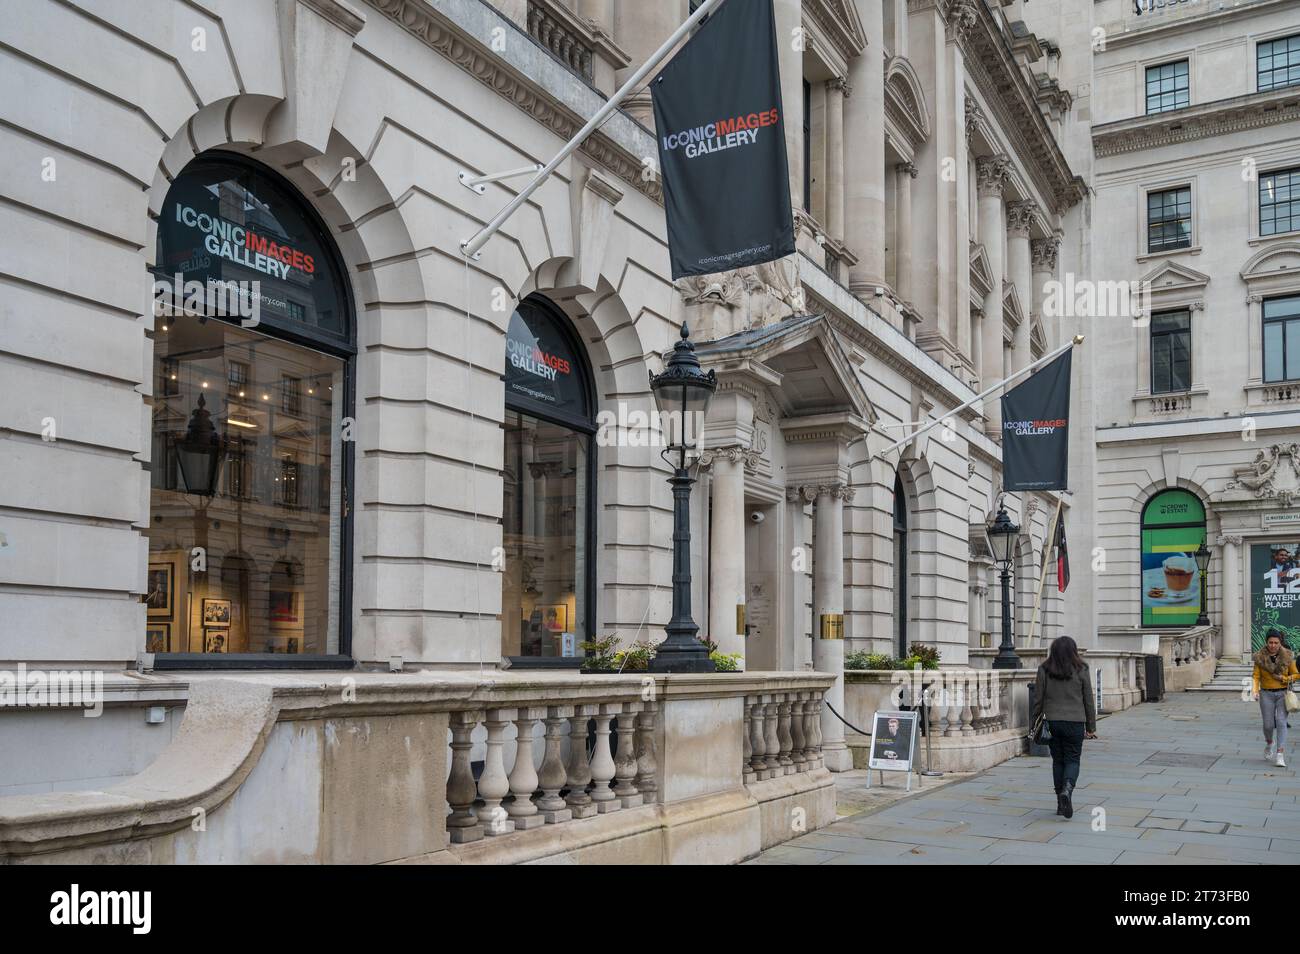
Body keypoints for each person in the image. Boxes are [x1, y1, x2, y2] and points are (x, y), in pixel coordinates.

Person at [1030, 636, 1098, 819]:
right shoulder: (1082, 668)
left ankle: (1060, 804)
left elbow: (1038, 700)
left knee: (1058, 760)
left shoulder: (1044, 669)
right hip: (1075, 722)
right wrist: (1091, 726)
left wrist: (1032, 724)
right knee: (1073, 760)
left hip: (1052, 723)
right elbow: (1088, 700)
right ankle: (1067, 790)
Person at [1252, 629, 1299, 768]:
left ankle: (1280, 754)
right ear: (1266, 642)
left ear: (1280, 643)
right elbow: (1256, 676)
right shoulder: (1260, 658)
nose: (1273, 645)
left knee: (1281, 722)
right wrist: (1255, 690)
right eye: (1270, 642)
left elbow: (1296, 674)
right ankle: (1269, 743)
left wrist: (1284, 678)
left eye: (1276, 643)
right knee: (1268, 725)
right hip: (1266, 693)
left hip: (1283, 694)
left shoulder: (1288, 656)